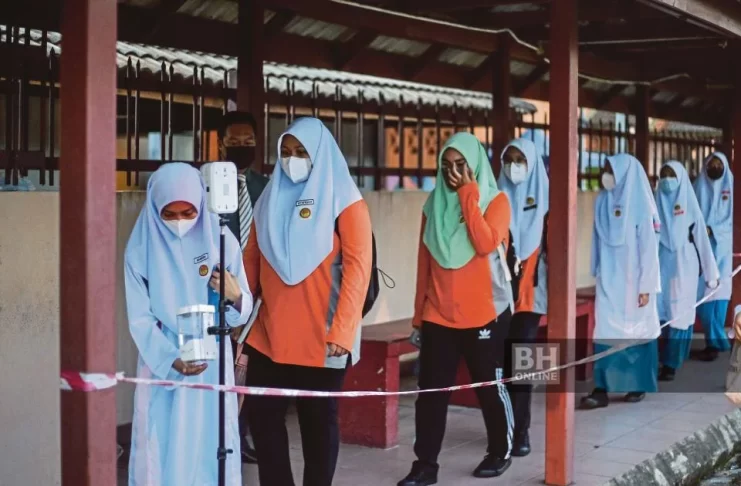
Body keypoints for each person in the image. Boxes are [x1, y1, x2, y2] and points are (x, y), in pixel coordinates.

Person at [242, 117, 373, 486]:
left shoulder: (347, 202)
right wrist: (237, 311)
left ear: (320, 155)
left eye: (301, 152)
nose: (291, 160)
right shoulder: (268, 199)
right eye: (285, 152)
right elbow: (251, 262)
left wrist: (343, 331)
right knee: (263, 419)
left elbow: (358, 271)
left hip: (323, 336)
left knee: (317, 425)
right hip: (269, 334)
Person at [124, 162, 253, 486]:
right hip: (163, 359)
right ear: (155, 209)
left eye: (188, 213)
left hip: (212, 357)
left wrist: (235, 296)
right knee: (161, 444)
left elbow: (239, 313)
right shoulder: (140, 250)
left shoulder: (220, 241)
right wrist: (170, 359)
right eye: (169, 214)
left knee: (212, 442)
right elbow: (139, 317)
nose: (179, 222)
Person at [398, 132, 514, 486]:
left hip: (485, 315)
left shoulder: (496, 201)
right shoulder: (432, 205)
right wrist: (418, 316)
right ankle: (425, 465)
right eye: (446, 166)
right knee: (431, 394)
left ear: (475, 164)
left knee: (488, 388)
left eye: (461, 165)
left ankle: (500, 451)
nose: (453, 173)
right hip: (438, 315)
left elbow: (484, 243)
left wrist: (468, 194)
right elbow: (424, 264)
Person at [580, 154, 661, 409]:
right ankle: (601, 388)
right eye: (606, 170)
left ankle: (637, 385)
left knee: (637, 332)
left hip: (636, 283)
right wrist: (595, 268)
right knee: (605, 330)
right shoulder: (602, 201)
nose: (606, 175)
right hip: (609, 278)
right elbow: (596, 238)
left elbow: (649, 249)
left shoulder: (641, 206)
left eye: (611, 171)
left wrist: (646, 286)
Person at [219, 110, 269, 464]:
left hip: (259, 290)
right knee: (223, 365)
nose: (241, 147)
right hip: (221, 287)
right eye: (234, 142)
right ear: (221, 143)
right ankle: (223, 433)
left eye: (247, 142)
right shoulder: (208, 184)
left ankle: (243, 434)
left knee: (250, 365)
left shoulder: (264, 186)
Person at [497, 138, 549, 457]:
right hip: (499, 297)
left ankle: (522, 432)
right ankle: (503, 427)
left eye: (520, 160)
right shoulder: (495, 198)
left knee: (524, 365)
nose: (513, 166)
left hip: (531, 296)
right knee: (500, 365)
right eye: (509, 159)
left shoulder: (547, 203)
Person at [655, 161, 719, 381]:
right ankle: (660, 359)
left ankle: (671, 364)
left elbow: (702, 241)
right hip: (661, 265)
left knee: (679, 314)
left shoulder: (690, 208)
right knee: (660, 312)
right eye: (663, 175)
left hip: (684, 266)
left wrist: (711, 274)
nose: (666, 180)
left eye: (671, 175)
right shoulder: (656, 204)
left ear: (681, 179)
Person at [693, 152, 734, 362]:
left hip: (723, 252)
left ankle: (714, 344)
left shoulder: (732, 187)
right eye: (712, 164)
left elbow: (733, 221)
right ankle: (719, 341)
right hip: (701, 250)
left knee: (719, 299)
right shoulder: (697, 186)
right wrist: (702, 231)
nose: (715, 167)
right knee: (703, 299)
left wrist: (714, 230)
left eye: (719, 164)